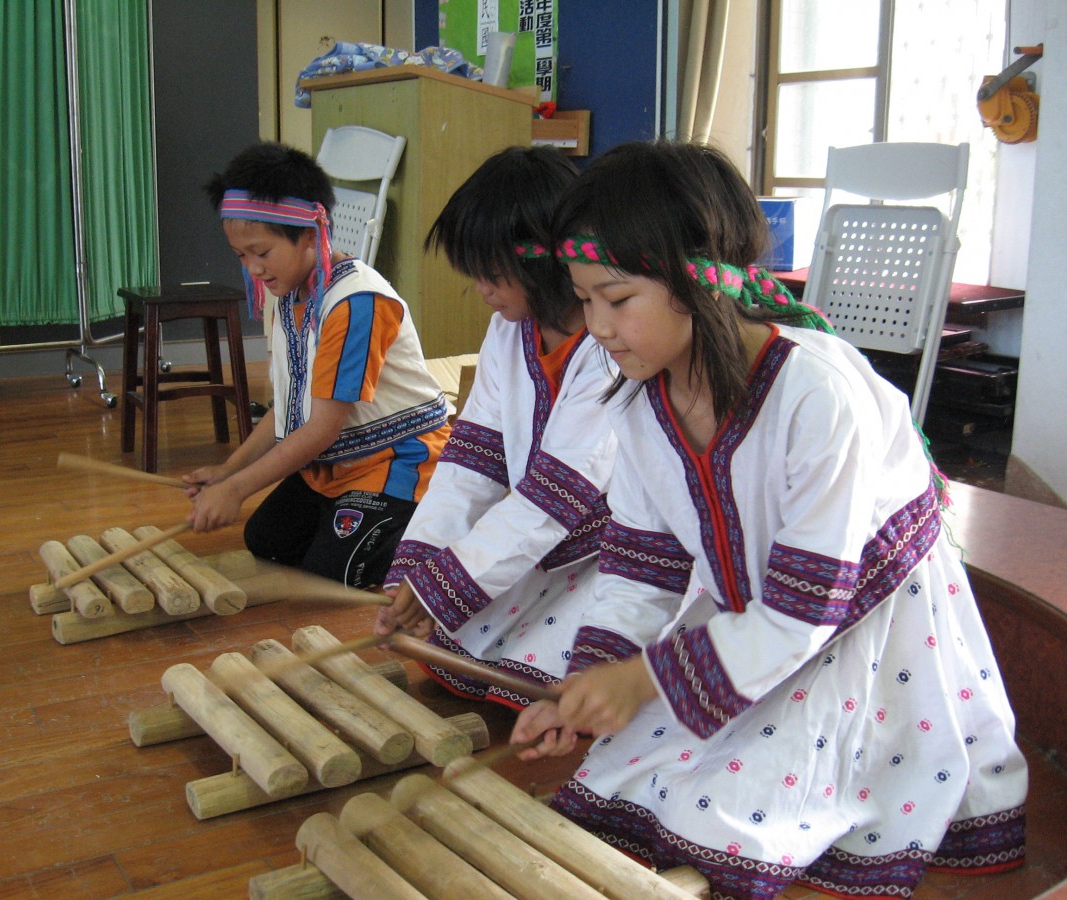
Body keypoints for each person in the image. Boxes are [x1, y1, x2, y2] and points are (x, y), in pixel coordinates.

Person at [511, 139, 1028, 898]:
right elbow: (643, 567)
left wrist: (644, 677)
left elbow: (807, 609)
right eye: (585, 300)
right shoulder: (642, 400)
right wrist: (590, 679)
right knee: (624, 780)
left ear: (699, 285)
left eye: (617, 300)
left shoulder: (817, 395)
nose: (597, 327)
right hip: (760, 618)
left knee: (723, 812)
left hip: (858, 623)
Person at [374, 146, 618, 706]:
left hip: (611, 547)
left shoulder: (612, 347)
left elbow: (556, 498)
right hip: (548, 533)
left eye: (492, 274)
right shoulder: (509, 329)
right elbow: (472, 461)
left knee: (554, 672)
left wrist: (442, 584)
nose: (481, 288)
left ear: (544, 264)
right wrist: (417, 561)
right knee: (455, 640)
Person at [184, 142, 451, 589]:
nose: (252, 269)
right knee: (266, 542)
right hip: (334, 468)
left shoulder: (356, 302)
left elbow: (323, 428)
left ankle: (436, 527)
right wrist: (229, 471)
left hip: (397, 465)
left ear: (310, 233)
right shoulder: (290, 293)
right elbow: (288, 409)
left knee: (329, 577)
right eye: (241, 256)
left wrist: (238, 489)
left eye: (261, 252)